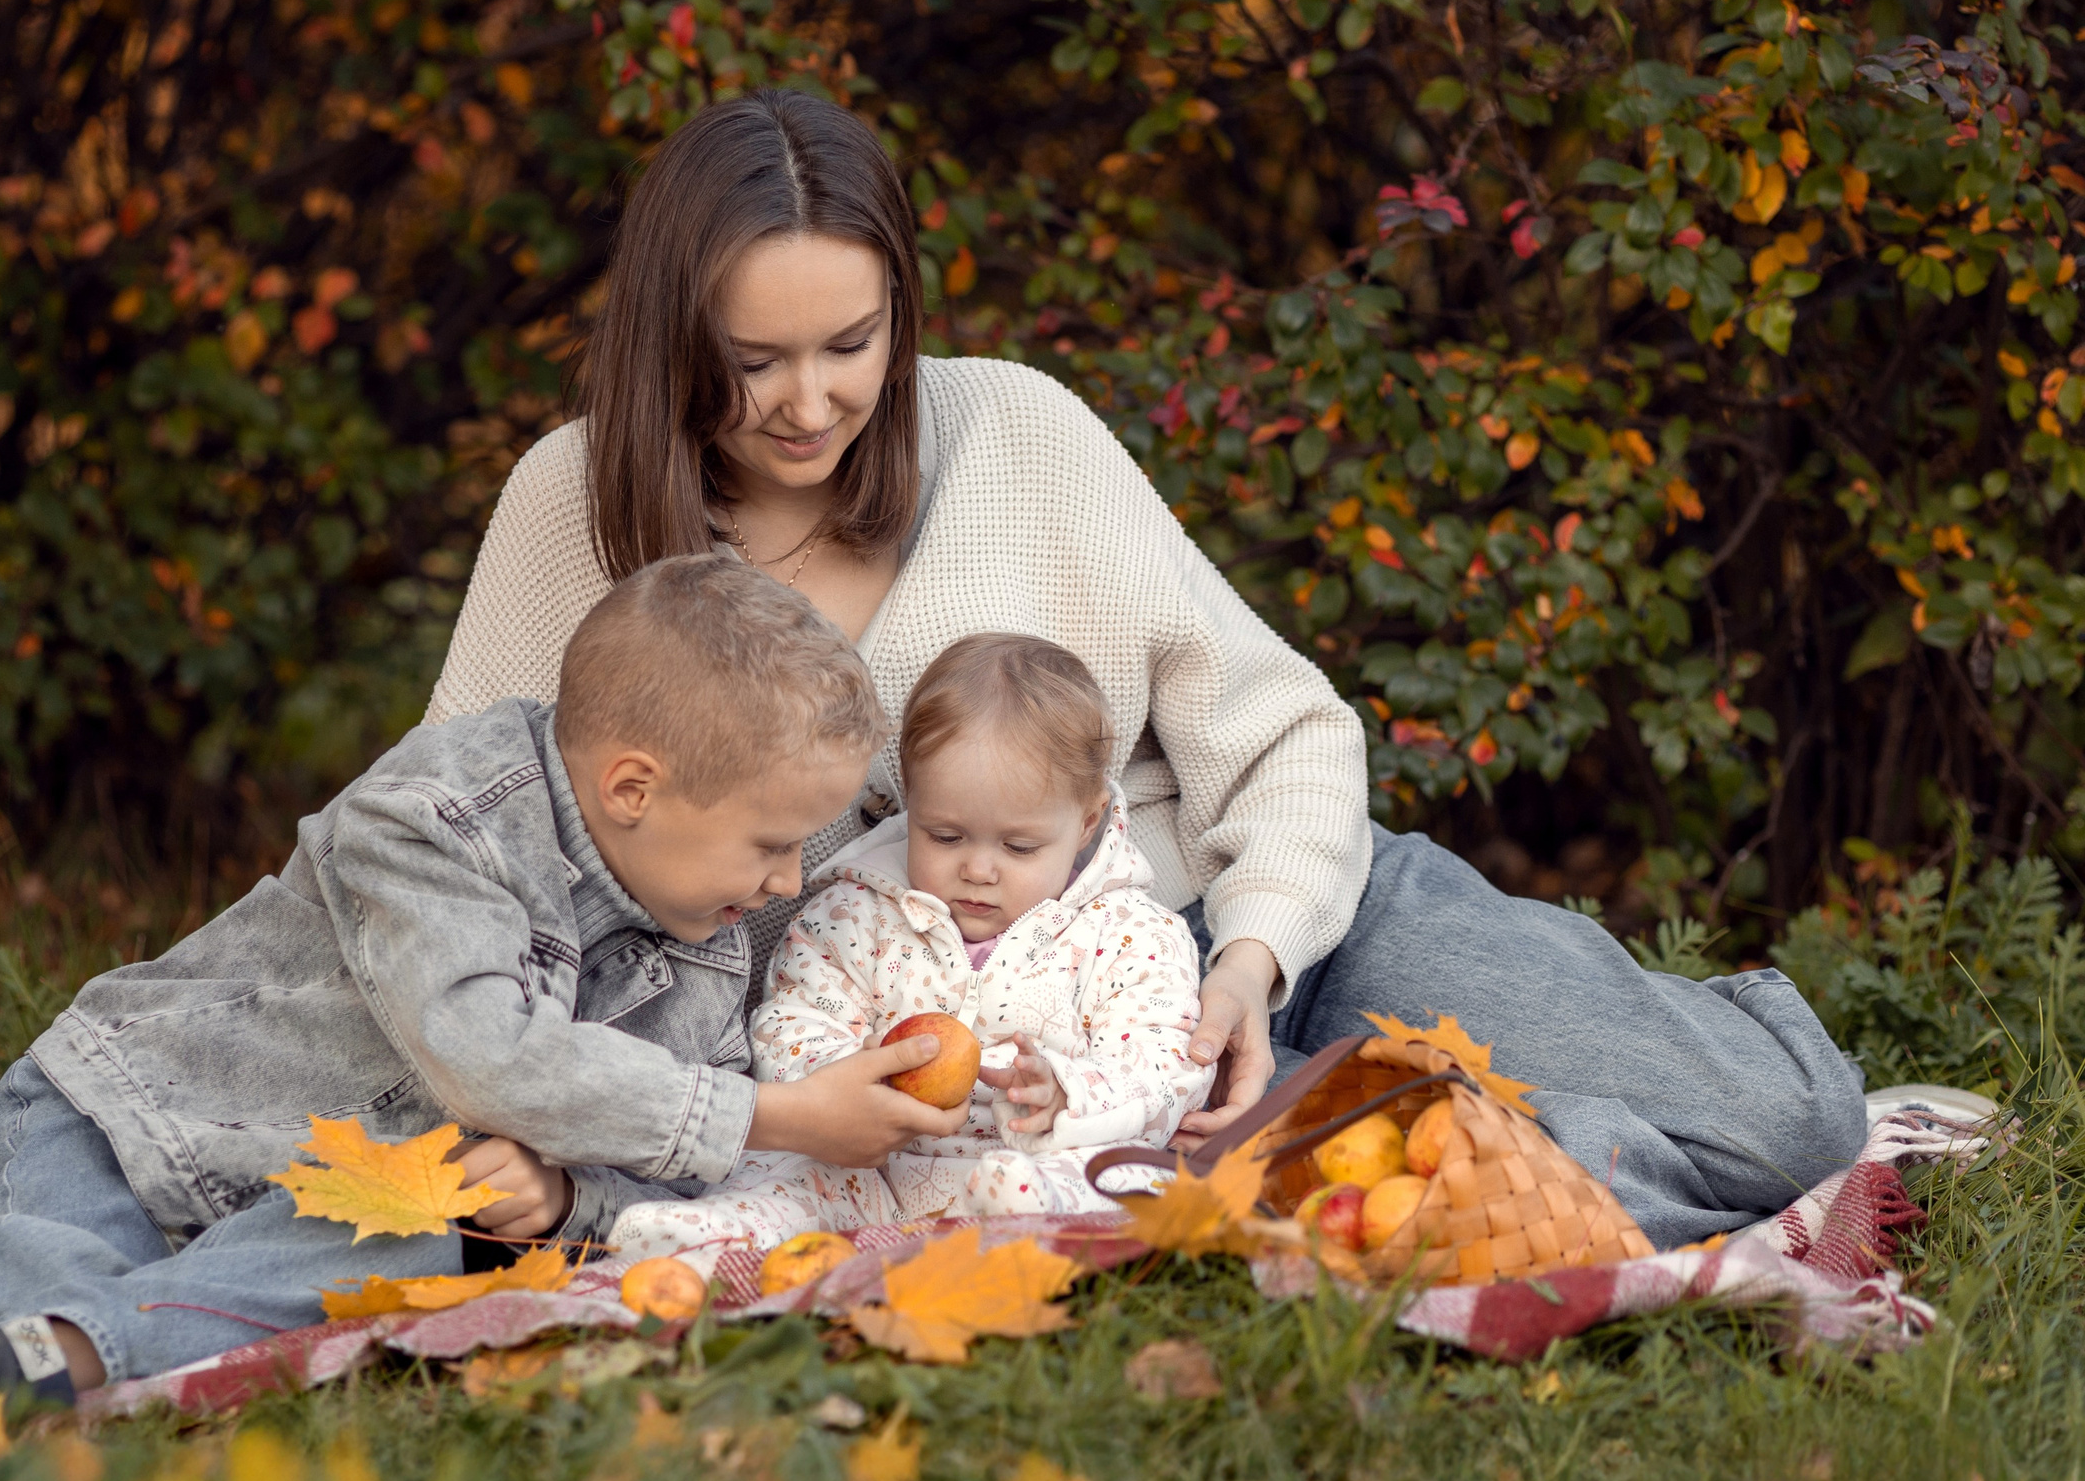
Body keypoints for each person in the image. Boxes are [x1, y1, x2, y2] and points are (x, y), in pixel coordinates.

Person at [424, 88, 1869, 1250]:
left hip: (1237, 943)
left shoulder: (1018, 433)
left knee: (1783, 1121)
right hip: (922, 1086)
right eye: (754, 361)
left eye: (853, 344)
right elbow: (444, 849)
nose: (811, 404)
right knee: (1406, 1183)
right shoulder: (574, 509)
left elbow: (1283, 727)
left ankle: (1422, 1146)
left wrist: (1252, 955)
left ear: (902, 318)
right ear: (673, 340)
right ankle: (1356, 1180)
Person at [0, 555, 968, 1417]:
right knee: (62, 1246)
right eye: (772, 841)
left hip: (332, 1187)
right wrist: (781, 1113)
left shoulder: (709, 923)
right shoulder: (435, 817)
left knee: (405, 1235)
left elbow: (650, 1166)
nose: (791, 882)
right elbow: (488, 1056)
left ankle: (53, 1356)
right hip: (136, 1120)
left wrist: (564, 1196)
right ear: (633, 787)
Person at [609, 634, 1208, 1261]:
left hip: (1041, 1161)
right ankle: (720, 1238)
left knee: (1117, 1177)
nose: (979, 869)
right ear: (910, 800)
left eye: (1019, 848)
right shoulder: (853, 914)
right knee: (792, 1177)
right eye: (945, 836)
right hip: (877, 1171)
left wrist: (1070, 1094)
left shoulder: (1131, 933)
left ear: (1086, 821)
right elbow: (790, 1022)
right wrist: (846, 1074)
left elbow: (1167, 1065)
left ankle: (1020, 1219)